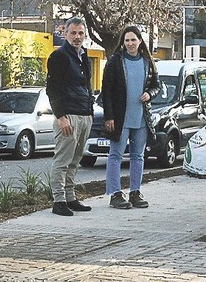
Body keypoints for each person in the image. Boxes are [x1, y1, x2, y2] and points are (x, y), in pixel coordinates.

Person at [100, 25, 158, 209]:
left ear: (140, 41)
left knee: (138, 156)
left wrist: (150, 94)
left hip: (141, 118)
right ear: (123, 43)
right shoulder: (115, 62)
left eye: (133, 39)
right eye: (127, 40)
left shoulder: (148, 62)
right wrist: (109, 117)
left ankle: (135, 192)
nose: (130, 43)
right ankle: (115, 194)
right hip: (120, 118)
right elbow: (106, 91)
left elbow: (157, 85)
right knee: (115, 155)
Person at [45, 18, 95, 216]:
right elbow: (52, 90)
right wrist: (61, 117)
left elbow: (85, 86)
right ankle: (58, 201)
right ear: (65, 34)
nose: (77, 37)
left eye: (80, 33)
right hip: (68, 116)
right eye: (73, 33)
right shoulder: (59, 56)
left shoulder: (83, 55)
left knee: (75, 160)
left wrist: (89, 109)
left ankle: (70, 197)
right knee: (62, 161)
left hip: (84, 114)